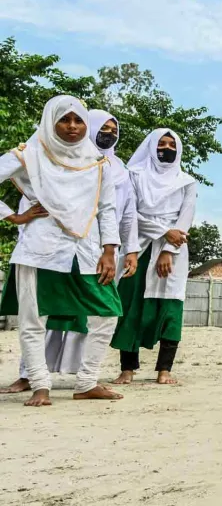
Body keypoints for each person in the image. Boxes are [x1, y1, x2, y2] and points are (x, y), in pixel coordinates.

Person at [2, 110, 140, 394]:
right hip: (39, 248)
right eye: (64, 120)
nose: (72, 126)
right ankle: (40, 384)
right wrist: (11, 216)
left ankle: (87, 382)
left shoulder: (96, 162)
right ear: (50, 122)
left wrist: (110, 250)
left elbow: (107, 210)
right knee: (33, 319)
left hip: (85, 250)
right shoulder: (29, 154)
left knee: (108, 312)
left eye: (79, 121)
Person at [110, 129, 196, 386]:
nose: (167, 148)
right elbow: (129, 213)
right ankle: (127, 368)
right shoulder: (133, 175)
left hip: (174, 251)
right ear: (150, 147)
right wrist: (163, 231)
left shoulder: (187, 181)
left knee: (170, 308)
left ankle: (164, 369)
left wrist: (169, 249)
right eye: (161, 144)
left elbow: (186, 218)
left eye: (172, 144)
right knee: (131, 306)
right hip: (137, 246)